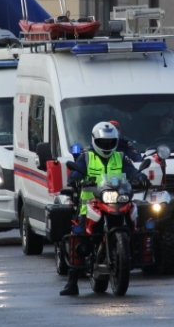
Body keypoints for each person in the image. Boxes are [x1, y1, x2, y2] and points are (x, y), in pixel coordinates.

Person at [60, 121, 146, 296]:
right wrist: (74, 177)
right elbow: (78, 171)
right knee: (79, 234)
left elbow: (131, 170)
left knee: (138, 222)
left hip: (117, 200)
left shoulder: (120, 157)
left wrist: (139, 176)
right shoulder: (86, 156)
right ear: (94, 140)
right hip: (90, 202)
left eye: (110, 142)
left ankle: (139, 254)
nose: (107, 145)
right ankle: (72, 281)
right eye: (103, 142)